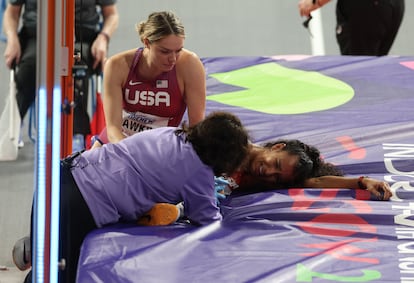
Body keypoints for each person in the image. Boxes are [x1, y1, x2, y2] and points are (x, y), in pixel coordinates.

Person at [14, 111, 250, 283]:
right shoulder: (199, 172)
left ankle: (35, 249)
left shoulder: (171, 134)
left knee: (48, 271)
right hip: (82, 205)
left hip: (60, 175)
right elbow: (208, 221)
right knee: (62, 276)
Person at [139, 138, 392, 226]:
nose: (269, 173)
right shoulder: (233, 145)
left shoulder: (259, 179)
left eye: (277, 177)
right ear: (277, 147)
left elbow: (314, 183)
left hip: (187, 200)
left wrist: (360, 182)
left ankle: (170, 210)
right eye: (276, 164)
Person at [2, 0, 119, 150]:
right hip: (37, 35)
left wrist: (103, 38)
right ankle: (14, 125)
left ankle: (76, 134)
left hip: (82, 35)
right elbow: (12, 12)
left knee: (76, 70)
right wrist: (12, 39)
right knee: (29, 69)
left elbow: (111, 14)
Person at [90, 11, 206, 148]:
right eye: (165, 51)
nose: (173, 59)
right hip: (120, 140)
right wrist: (130, 155)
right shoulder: (117, 65)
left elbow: (196, 129)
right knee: (84, 165)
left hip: (161, 146)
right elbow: (113, 130)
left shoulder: (190, 65)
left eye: (178, 50)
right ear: (146, 42)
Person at [298, 0, 405, 56]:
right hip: (395, 5)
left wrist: (315, 2)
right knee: (373, 68)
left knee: (359, 70)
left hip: (367, 8)